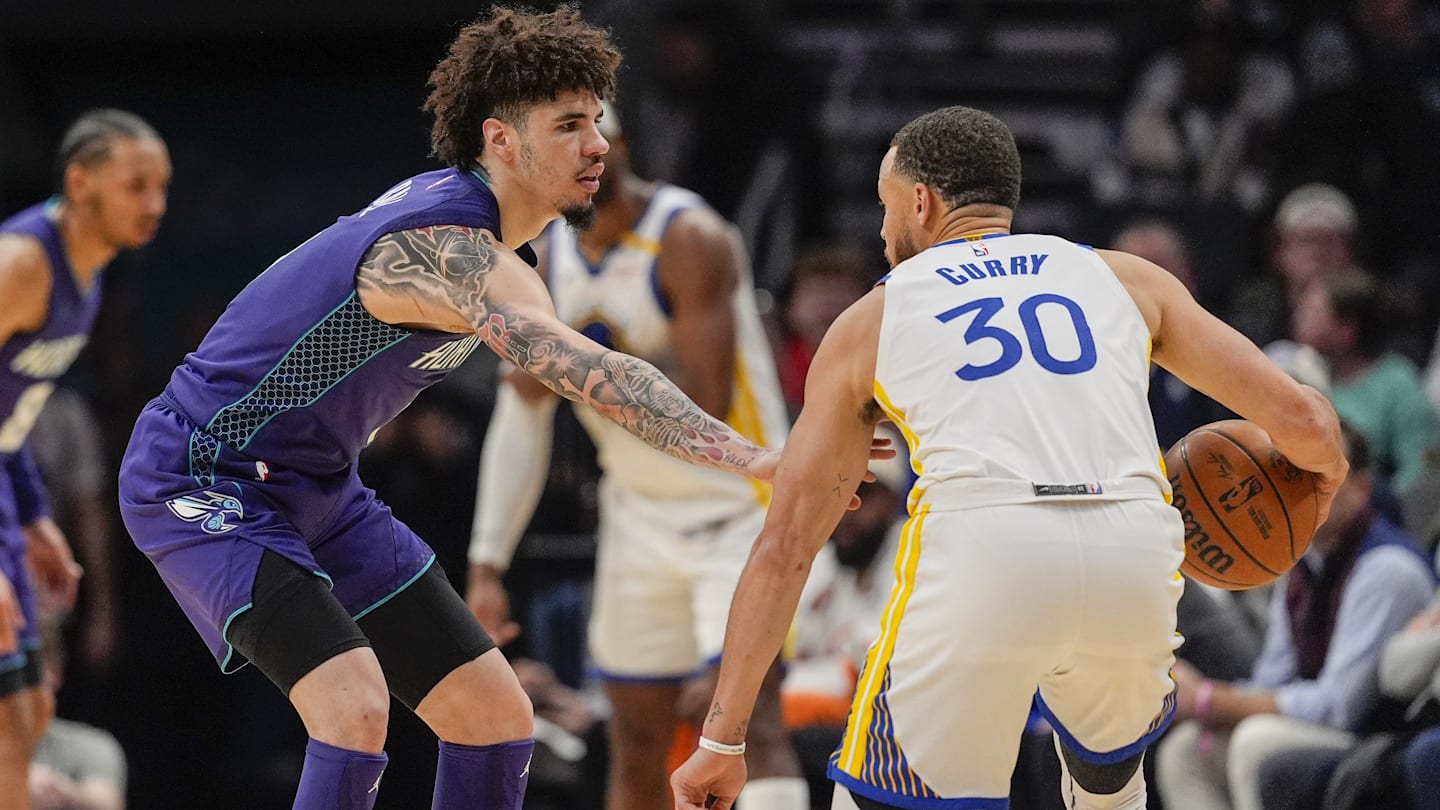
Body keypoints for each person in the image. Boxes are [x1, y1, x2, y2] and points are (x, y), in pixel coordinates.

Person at [115, 8, 787, 810]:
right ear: (501, 140)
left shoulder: (508, 252)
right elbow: (586, 370)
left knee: (495, 715)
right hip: (203, 471)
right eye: (569, 125)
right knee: (352, 705)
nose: (597, 145)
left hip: (318, 485)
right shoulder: (446, 250)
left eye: (597, 122)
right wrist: (752, 456)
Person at [670, 105, 1349, 810]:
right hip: (1133, 549)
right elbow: (1304, 421)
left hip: (985, 550)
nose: (881, 229)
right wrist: (1322, 489)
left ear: (921, 202)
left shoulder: (874, 318)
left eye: (885, 205)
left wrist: (722, 740)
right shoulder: (1124, 277)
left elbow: (785, 546)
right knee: (1110, 790)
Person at [465, 102, 808, 810]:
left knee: (747, 730)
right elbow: (522, 413)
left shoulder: (689, 237)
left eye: (592, 146)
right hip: (637, 520)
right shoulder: (547, 259)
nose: (581, 163)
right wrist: (488, 561)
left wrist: (580, 368)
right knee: (634, 738)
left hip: (738, 512)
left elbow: (707, 399)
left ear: (617, 149)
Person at [0, 108, 169, 808]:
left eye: (161, 187)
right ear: (80, 183)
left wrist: (34, 517)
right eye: (136, 186)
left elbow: (9, 418)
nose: (155, 205)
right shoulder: (22, 264)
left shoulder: (87, 281)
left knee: (27, 711)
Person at [1154, 423, 1434, 810]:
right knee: (1186, 750)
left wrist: (1208, 700)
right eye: (1295, 472)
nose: (1304, 485)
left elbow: (1338, 707)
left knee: (1256, 740)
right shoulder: (1300, 561)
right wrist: (1202, 698)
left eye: (1323, 475)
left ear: (1362, 488)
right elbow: (1272, 679)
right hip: (1327, 727)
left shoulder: (1389, 569)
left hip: (1380, 740)